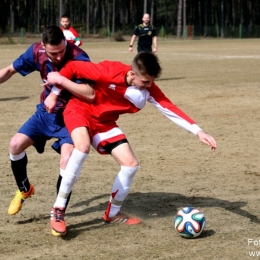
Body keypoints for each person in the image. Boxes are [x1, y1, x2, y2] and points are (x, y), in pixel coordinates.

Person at [44, 52, 217, 236]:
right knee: (82, 147)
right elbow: (72, 67)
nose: (149, 86)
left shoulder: (148, 88)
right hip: (80, 109)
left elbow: (168, 107)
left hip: (104, 122)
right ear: (132, 74)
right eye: (145, 82)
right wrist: (54, 94)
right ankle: (58, 210)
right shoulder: (108, 70)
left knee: (131, 165)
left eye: (151, 82)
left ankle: (112, 214)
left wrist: (198, 131)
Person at [0, 25, 94, 236]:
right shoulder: (36, 51)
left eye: (62, 50)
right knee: (15, 145)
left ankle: (58, 211)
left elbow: (89, 93)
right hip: (45, 114)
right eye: (54, 53)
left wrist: (62, 82)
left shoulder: (79, 56)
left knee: (67, 159)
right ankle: (24, 190)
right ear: (43, 46)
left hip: (72, 116)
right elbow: (9, 70)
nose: (59, 56)